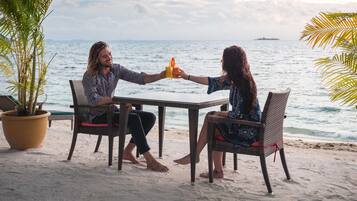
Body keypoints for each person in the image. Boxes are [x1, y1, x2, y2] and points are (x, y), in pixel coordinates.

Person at [174, 45, 261, 178]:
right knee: (212, 119)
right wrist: (187, 76)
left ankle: (202, 159)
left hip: (249, 132)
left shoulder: (243, 84)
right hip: (250, 127)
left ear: (230, 63)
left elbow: (239, 114)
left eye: (223, 59)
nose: (221, 61)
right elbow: (211, 81)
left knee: (212, 122)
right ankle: (200, 158)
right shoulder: (237, 79)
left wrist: (219, 114)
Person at [82, 41, 169, 172]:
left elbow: (140, 78)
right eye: (104, 56)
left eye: (110, 54)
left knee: (150, 117)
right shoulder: (90, 75)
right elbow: (93, 100)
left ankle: (127, 152)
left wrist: (162, 75)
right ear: (96, 59)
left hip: (113, 112)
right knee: (133, 118)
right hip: (97, 115)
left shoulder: (116, 69)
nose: (109, 57)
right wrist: (118, 102)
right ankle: (149, 159)